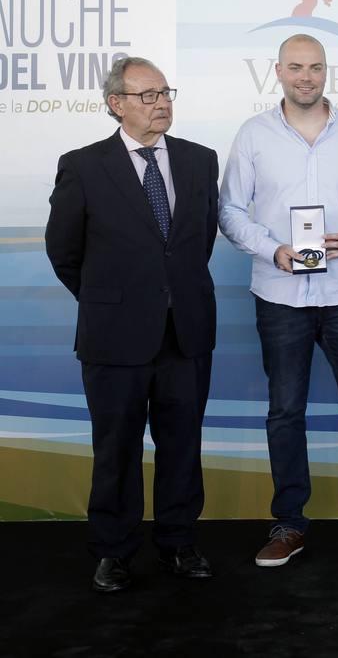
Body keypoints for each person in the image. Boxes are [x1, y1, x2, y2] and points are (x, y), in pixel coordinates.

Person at [219, 34, 338, 566]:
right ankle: (289, 524)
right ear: (277, 71)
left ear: (327, 71)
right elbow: (230, 211)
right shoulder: (253, 135)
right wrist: (271, 249)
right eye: (296, 67)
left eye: (315, 67)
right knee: (285, 412)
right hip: (278, 294)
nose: (306, 76)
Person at [45, 56, 219, 593]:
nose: (161, 102)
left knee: (182, 444)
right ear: (116, 104)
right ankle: (114, 551)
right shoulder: (83, 165)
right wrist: (112, 302)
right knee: (115, 447)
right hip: (114, 334)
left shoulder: (199, 160)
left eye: (166, 92)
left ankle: (177, 543)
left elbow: (199, 242)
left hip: (185, 330)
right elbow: (64, 251)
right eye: (147, 95)